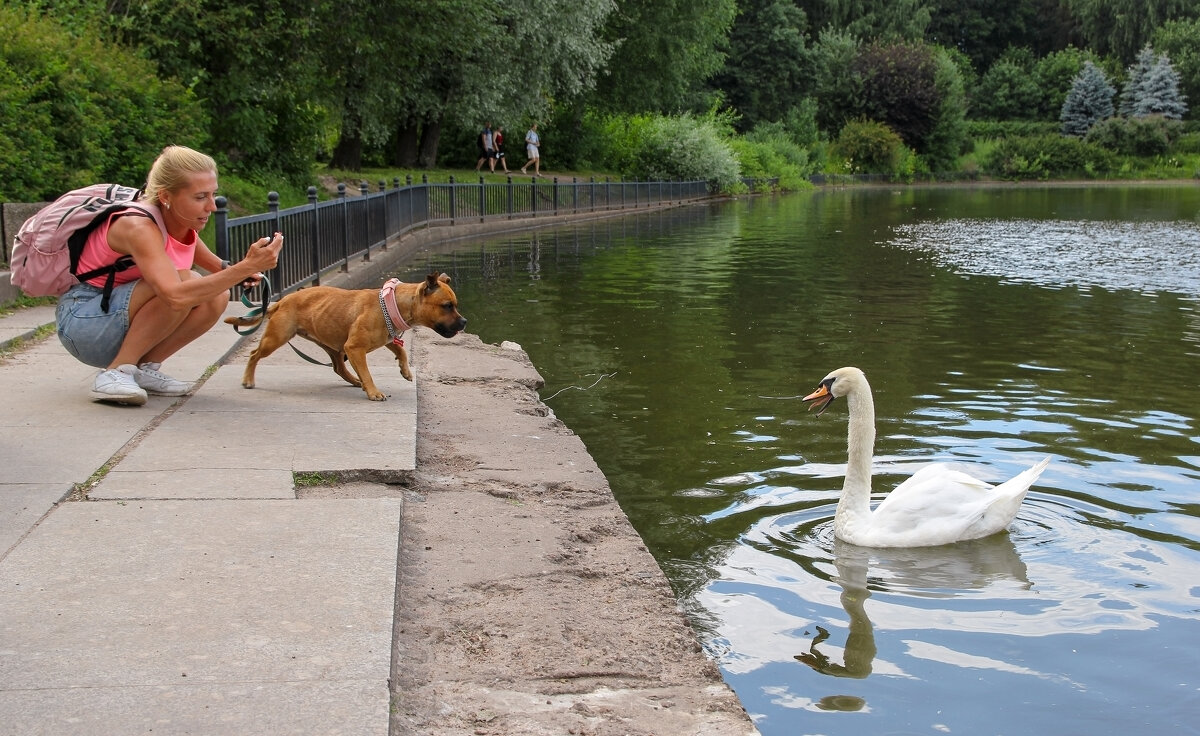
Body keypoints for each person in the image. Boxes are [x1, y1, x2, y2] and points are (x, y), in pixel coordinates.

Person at [56, 145, 283, 406]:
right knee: (186, 283)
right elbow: (175, 296)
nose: (212, 206)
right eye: (200, 197)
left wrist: (244, 270)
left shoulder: (177, 222)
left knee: (217, 294)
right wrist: (241, 269)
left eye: (213, 195)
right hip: (84, 323)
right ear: (165, 196)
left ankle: (143, 370)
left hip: (113, 317)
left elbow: (217, 267)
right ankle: (116, 372)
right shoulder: (138, 227)